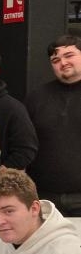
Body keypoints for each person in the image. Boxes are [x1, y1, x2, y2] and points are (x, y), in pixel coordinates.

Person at [25, 33, 81, 237]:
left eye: (69, 55)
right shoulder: (37, 97)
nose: (63, 62)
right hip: (45, 197)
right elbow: (25, 144)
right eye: (56, 60)